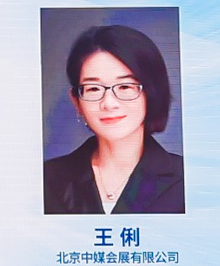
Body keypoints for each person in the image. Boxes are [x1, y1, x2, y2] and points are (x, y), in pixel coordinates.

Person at [42, 23, 186, 215]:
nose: (109, 103)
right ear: (76, 101)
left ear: (152, 92)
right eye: (93, 89)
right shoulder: (46, 178)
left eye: (125, 87)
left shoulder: (187, 179)